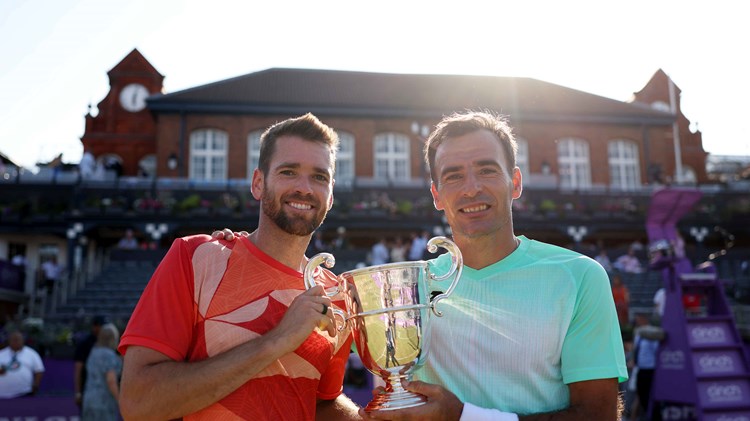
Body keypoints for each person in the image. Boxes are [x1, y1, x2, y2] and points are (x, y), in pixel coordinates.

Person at [363, 111, 627, 420]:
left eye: (486, 170)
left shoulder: (580, 276)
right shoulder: (401, 290)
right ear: (436, 195)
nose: (471, 188)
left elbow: (598, 415)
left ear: (515, 182)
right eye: (453, 176)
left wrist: (464, 417)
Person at [118, 114, 359, 420]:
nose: (305, 188)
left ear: (331, 195)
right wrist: (276, 341)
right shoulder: (195, 258)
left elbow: (321, 404)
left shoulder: (334, 296)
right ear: (258, 183)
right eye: (288, 172)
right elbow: (138, 403)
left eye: (319, 177)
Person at [82, 323, 122, 420]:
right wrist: (120, 401)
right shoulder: (109, 355)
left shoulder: (93, 352)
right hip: (104, 402)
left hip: (88, 400)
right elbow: (111, 381)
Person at [74, 315, 109, 409]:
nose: (104, 329)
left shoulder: (108, 343)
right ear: (95, 327)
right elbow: (78, 369)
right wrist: (78, 392)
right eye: (102, 326)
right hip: (88, 390)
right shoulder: (85, 344)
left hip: (106, 393)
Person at [0, 330, 45, 398]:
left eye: (18, 339)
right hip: (3, 394)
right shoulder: (1, 354)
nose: (16, 342)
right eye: (13, 340)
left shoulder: (32, 353)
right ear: (9, 341)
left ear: (23, 340)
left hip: (24, 393)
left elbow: (39, 370)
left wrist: (35, 385)